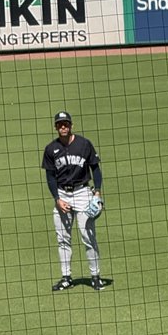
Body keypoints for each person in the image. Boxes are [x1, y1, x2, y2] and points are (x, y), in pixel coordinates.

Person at [42, 111, 107, 291]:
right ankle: (66, 278)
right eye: (60, 124)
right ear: (56, 127)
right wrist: (57, 199)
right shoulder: (50, 149)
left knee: (88, 236)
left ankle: (95, 276)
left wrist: (98, 193)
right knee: (63, 239)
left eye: (66, 124)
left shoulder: (84, 144)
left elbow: (96, 169)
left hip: (83, 192)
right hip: (62, 194)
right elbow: (50, 177)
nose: (63, 127)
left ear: (71, 125)